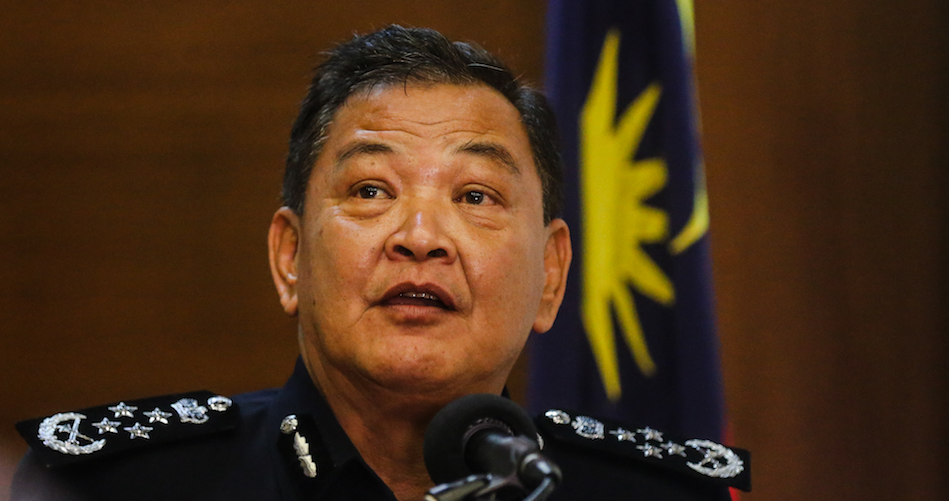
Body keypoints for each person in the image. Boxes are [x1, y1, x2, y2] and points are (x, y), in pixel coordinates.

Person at [12, 26, 750, 500]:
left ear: (551, 274)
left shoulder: (663, 494)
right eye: (371, 189)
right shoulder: (114, 485)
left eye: (476, 194)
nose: (421, 235)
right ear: (290, 255)